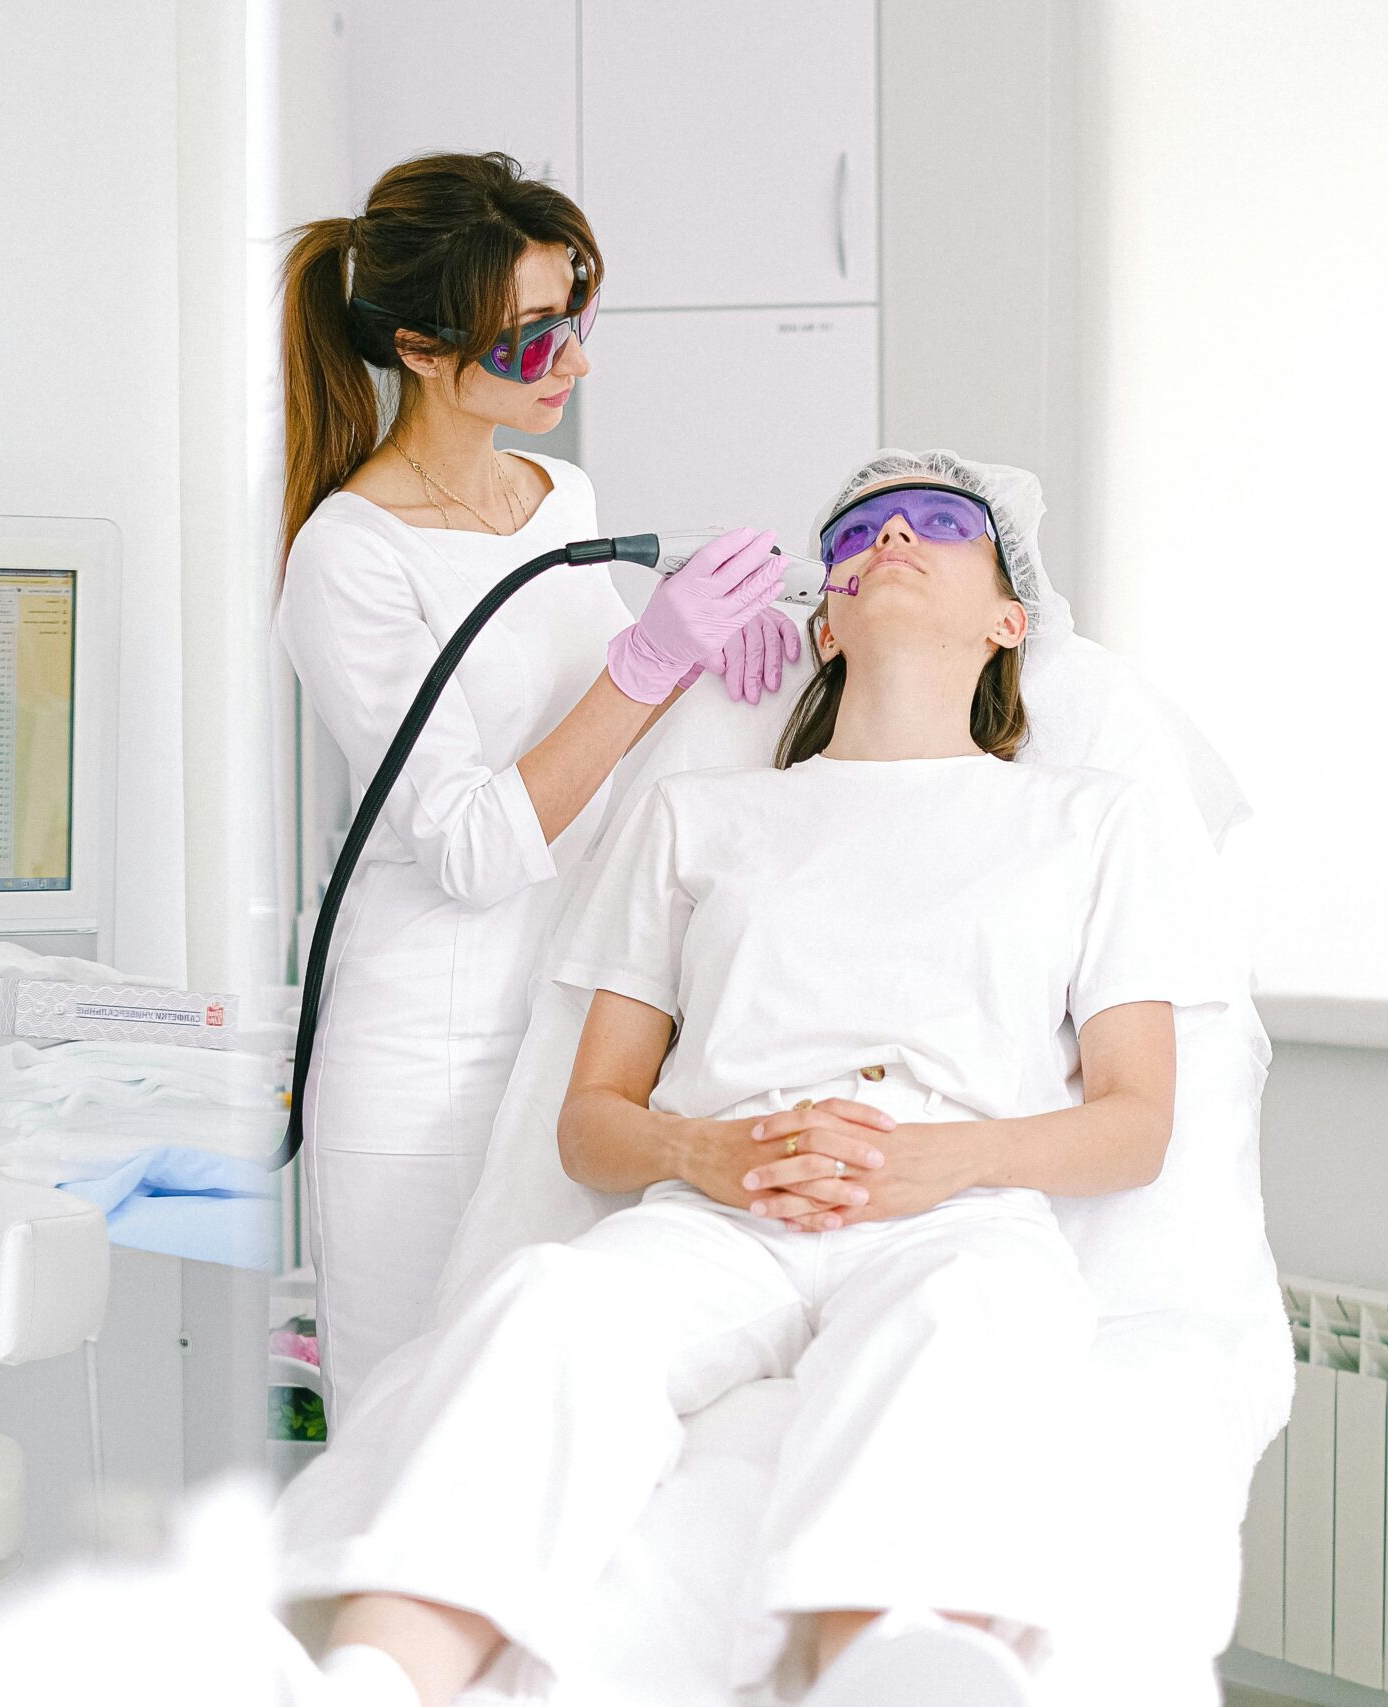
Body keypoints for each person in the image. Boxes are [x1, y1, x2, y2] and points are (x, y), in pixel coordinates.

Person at [264, 452, 1242, 1707]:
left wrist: (937, 1162)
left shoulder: (1089, 819)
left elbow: (1134, 1127)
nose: (892, 538)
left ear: (1012, 620)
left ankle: (886, 1663)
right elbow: (590, 1124)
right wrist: (704, 1155)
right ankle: (377, 1675)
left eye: (937, 524)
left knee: (959, 1327)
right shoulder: (699, 814)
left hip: (953, 1216)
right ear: (824, 623)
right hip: (720, 1211)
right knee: (549, 1304)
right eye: (860, 534)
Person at [276, 152, 801, 1401]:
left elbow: (597, 749)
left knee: (537, 1406)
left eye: (575, 319)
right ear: (419, 348)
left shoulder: (559, 496)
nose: (571, 364)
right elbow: (470, 846)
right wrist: (647, 658)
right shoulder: (350, 557)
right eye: (529, 340)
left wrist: (700, 658)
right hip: (432, 1052)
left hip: (570, 1031)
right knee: (413, 1416)